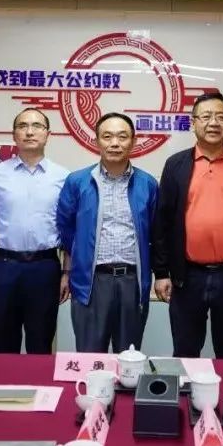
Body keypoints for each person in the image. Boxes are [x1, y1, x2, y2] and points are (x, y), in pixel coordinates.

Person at [153, 92, 223, 359]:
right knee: (185, 352)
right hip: (186, 276)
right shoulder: (176, 165)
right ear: (193, 122)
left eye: (221, 117)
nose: (213, 123)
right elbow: (162, 222)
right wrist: (161, 273)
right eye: (206, 116)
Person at [56, 112, 158, 353]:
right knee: (90, 358)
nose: (115, 143)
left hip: (132, 282)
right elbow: (65, 227)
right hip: (91, 282)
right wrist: (75, 262)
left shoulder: (148, 184)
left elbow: (155, 231)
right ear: (96, 141)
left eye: (122, 137)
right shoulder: (77, 181)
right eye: (107, 136)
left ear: (133, 141)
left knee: (129, 359)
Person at [0, 108, 69, 354]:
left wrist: (66, 273)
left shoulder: (63, 177)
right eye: (23, 126)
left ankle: (40, 383)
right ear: (14, 134)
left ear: (48, 134)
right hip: (5, 266)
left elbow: (69, 230)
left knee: (41, 344)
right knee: (4, 344)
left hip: (45, 267)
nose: (30, 131)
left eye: (37, 126)